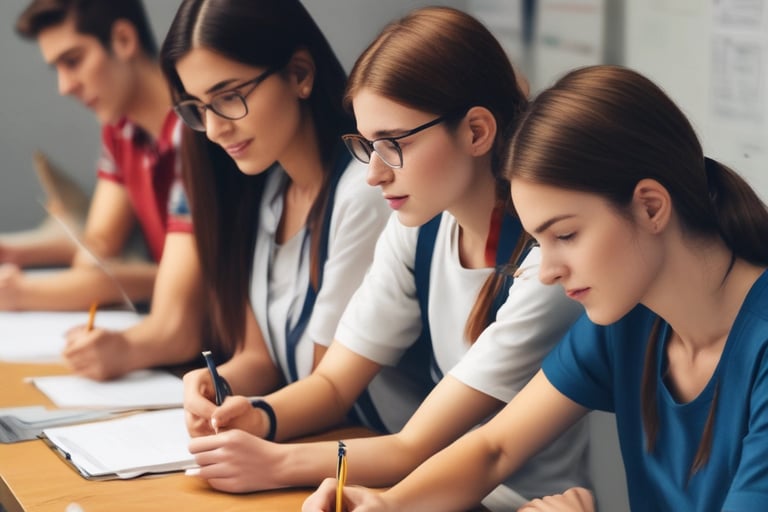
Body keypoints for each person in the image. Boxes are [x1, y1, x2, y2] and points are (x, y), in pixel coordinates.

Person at [303, 64, 768, 512]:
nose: (546, 272)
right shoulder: (630, 317)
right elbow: (494, 447)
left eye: (564, 235)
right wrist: (389, 503)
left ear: (649, 207)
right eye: (538, 241)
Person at [179, 7, 589, 511]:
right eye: (366, 145)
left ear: (477, 132)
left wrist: (274, 462)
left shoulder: (544, 265)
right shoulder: (418, 228)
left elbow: (415, 447)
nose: (374, 174)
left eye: (393, 145)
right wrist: (258, 416)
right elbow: (332, 383)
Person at [161, 0, 391, 443]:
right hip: (326, 447)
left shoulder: (364, 192)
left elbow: (325, 389)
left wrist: (255, 418)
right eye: (197, 107)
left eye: (229, 97)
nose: (212, 129)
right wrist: (212, 384)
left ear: (300, 74)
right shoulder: (267, 191)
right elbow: (262, 359)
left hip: (369, 453)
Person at [15, 0, 206, 381]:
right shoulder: (121, 129)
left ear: (122, 39)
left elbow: (179, 307)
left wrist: (23, 292)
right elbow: (98, 249)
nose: (65, 86)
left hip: (208, 362)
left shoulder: (198, 131)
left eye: (73, 61)